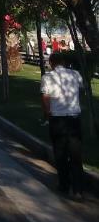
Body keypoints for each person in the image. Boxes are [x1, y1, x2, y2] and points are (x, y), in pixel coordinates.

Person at [41, 53, 85, 199]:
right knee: (75, 155)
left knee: (60, 153)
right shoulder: (75, 74)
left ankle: (64, 184)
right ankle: (78, 190)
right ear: (64, 62)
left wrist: (47, 114)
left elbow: (46, 98)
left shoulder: (47, 77)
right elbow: (80, 89)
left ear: (51, 63)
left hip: (57, 119)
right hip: (74, 118)